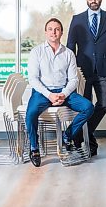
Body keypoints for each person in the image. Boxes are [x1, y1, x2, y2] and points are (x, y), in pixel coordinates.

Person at [26, 17, 94, 167]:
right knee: (30, 113)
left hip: (64, 92)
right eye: (50, 29)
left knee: (88, 107)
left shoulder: (69, 53)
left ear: (61, 32)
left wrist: (63, 94)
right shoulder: (36, 52)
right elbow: (33, 79)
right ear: (45, 32)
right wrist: (49, 95)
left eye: (57, 29)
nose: (53, 32)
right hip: (43, 92)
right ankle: (34, 147)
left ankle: (66, 136)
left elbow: (74, 80)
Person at [67, 0, 106, 156]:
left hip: (103, 69)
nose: (93, 0)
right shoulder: (77, 19)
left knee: (104, 104)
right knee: (86, 107)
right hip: (83, 71)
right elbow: (70, 46)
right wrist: (70, 72)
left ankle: (77, 134)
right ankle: (89, 141)